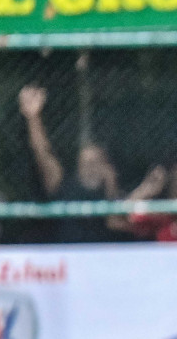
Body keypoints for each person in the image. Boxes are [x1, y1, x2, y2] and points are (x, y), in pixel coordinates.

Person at [18, 84, 122, 244]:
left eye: (95, 162)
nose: (90, 167)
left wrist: (111, 183)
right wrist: (33, 118)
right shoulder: (65, 186)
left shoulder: (111, 193)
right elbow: (43, 154)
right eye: (85, 162)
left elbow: (117, 222)